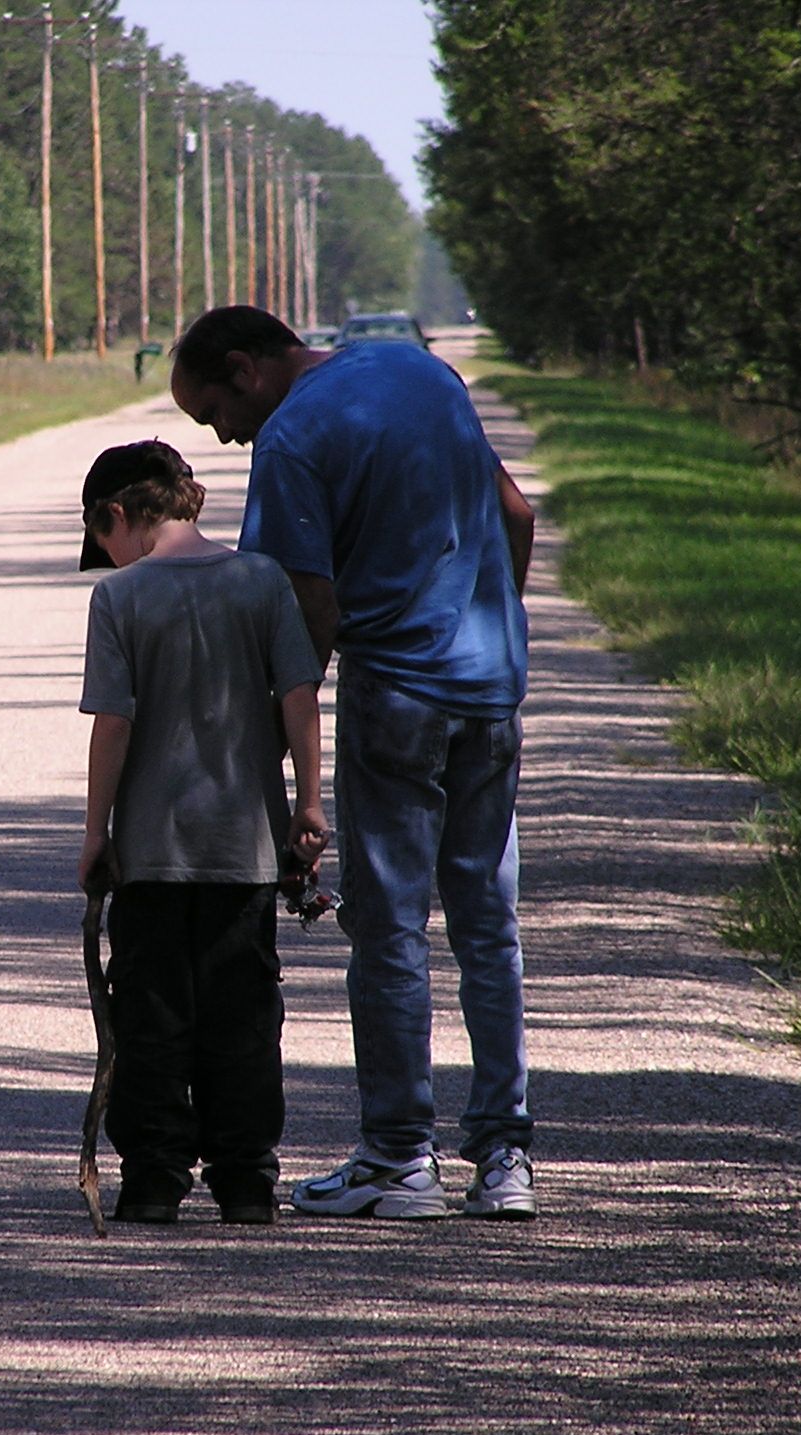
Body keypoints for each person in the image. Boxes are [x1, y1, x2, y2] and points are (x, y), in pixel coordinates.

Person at [169, 306, 540, 1221]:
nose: (223, 436)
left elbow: (307, 613)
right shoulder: (422, 373)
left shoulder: (292, 436)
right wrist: (491, 631)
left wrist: (274, 762)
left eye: (214, 413)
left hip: (399, 694)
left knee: (390, 927)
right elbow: (516, 514)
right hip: (491, 687)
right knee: (487, 923)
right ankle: (505, 1161)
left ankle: (399, 1160)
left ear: (246, 370)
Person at [75, 439, 328, 1225]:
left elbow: (114, 723)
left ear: (118, 514)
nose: (107, 557)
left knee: (150, 1015)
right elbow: (299, 695)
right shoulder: (261, 581)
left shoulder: (121, 598)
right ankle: (246, 1181)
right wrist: (308, 805)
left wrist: (96, 833)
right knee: (243, 1017)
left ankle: (154, 1180)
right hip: (245, 851)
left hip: (150, 855)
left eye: (102, 538)